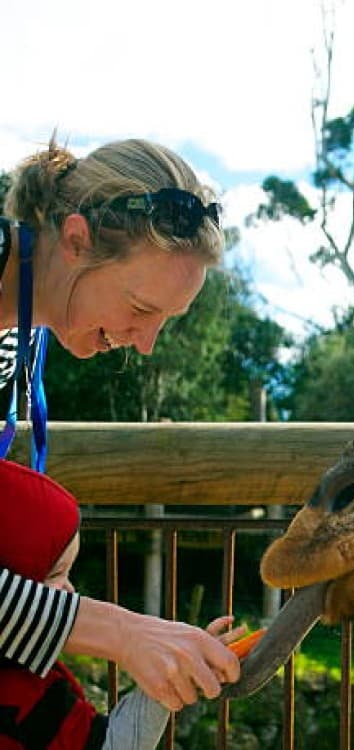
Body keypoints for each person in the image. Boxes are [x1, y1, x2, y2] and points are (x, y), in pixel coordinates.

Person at [0, 137, 240, 710]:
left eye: (165, 321)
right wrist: (125, 635)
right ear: (77, 240)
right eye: (140, 309)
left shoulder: (18, 331)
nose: (148, 344)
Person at [0, 459, 246, 748]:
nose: (68, 590)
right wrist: (131, 638)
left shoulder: (42, 694)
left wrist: (168, 678)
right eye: (54, 575)